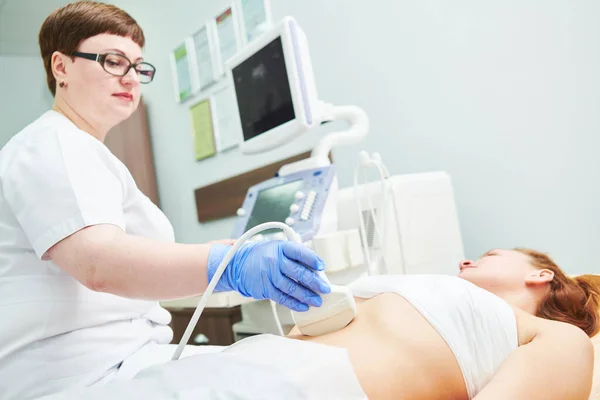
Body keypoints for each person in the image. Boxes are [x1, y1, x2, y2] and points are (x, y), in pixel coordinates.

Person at [0, 2, 331, 399]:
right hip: (81, 377)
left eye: (138, 67)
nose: (131, 78)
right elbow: (98, 262)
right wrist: (228, 265)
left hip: (119, 362)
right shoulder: (54, 144)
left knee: (298, 362)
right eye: (113, 61)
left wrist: (222, 252)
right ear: (61, 67)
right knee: (312, 373)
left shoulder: (85, 153)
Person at [34, 247, 599, 400]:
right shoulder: (431, 290)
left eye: (491, 253)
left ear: (540, 275)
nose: (464, 260)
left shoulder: (564, 339)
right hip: (236, 370)